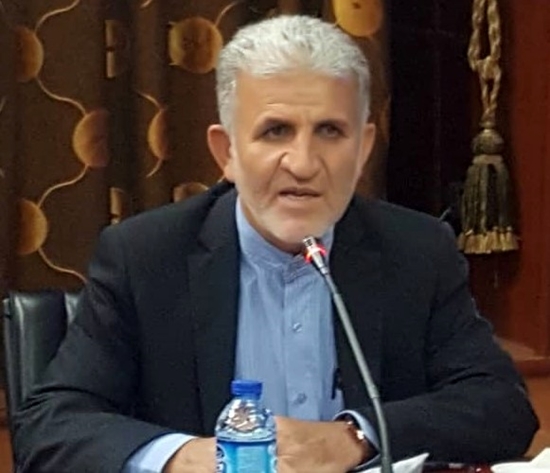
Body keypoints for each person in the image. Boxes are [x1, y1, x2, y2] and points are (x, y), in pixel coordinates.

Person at [12, 15, 538, 473]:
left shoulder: (416, 251)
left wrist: (353, 437)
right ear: (226, 152)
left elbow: (501, 408)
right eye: (275, 131)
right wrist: (186, 457)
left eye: (330, 131)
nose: (303, 164)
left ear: (363, 149)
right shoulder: (146, 256)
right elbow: (50, 426)